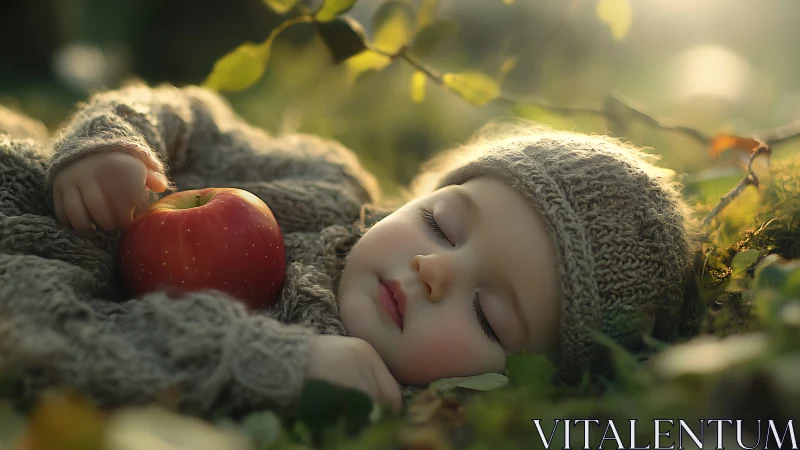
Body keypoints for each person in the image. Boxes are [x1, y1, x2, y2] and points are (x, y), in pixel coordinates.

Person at [0, 82, 700, 419]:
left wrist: (283, 364)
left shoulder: (336, 380)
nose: (434, 272)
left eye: (488, 316)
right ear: (417, 195)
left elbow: (49, 334)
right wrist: (115, 145)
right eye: (443, 225)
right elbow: (189, 116)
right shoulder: (323, 184)